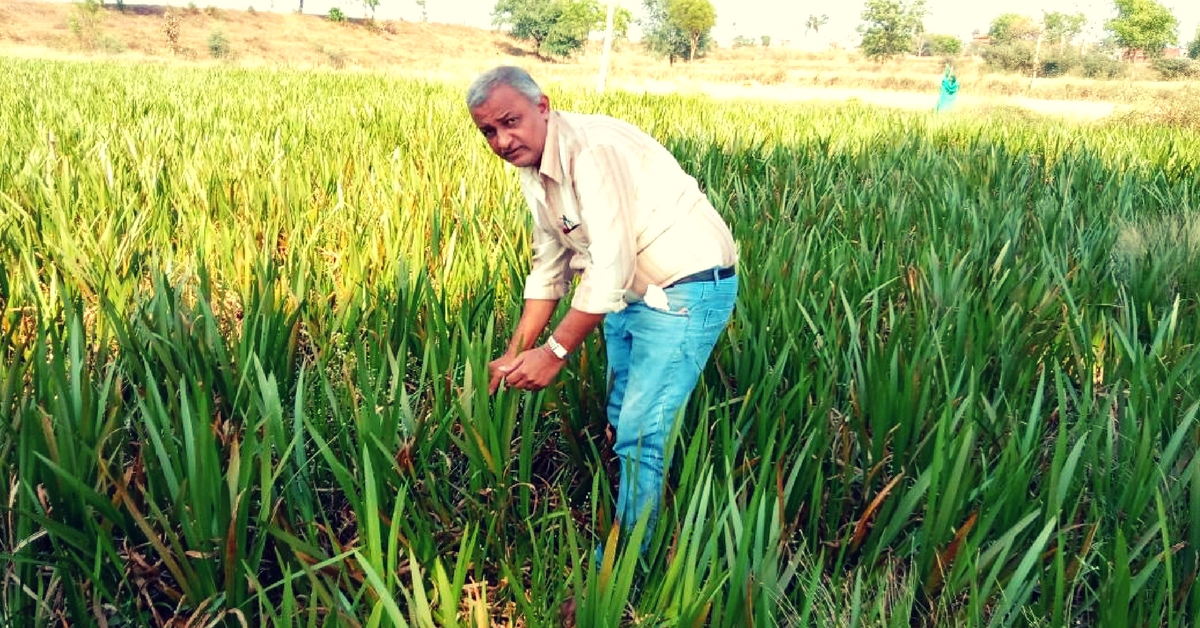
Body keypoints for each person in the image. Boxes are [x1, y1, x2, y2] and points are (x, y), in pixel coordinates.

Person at [465, 65, 739, 552]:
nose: (502, 140)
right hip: (630, 294)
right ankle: (628, 512)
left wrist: (553, 352)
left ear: (542, 107)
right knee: (620, 415)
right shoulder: (535, 170)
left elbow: (612, 263)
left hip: (684, 289)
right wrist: (516, 351)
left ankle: (625, 566)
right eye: (489, 130)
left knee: (640, 431)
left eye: (511, 121)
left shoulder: (591, 151)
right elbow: (550, 265)